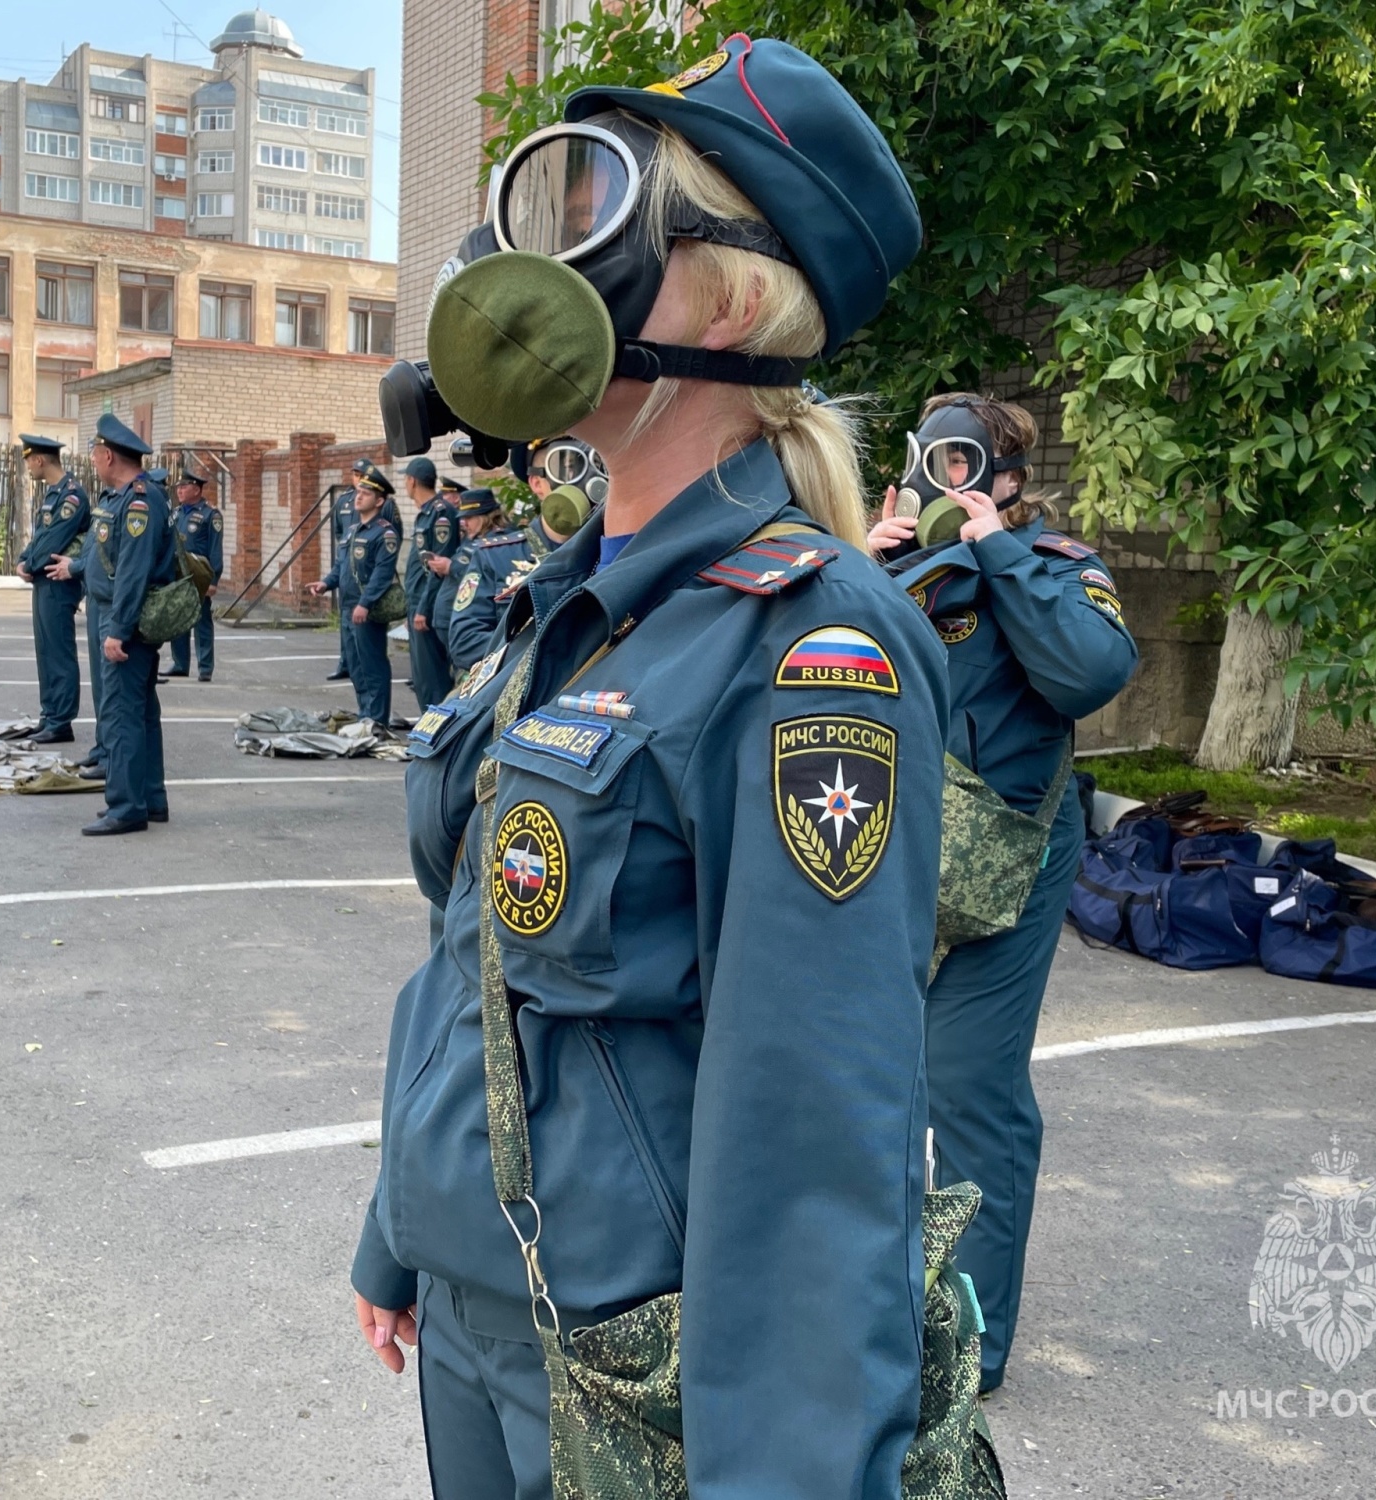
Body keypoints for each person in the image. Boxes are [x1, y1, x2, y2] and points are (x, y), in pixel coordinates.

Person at [350, 37, 955, 1496]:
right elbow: (470, 950)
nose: (543, 262)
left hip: (632, 1365)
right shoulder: (564, 601)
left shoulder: (814, 647)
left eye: (604, 214)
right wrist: (403, 1222)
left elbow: (816, 1143)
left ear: (738, 295)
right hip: (480, 1311)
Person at [870, 392, 1139, 1393]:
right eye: (924, 458)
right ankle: (874, 1297)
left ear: (1005, 480)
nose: (938, 478)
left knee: (968, 1086)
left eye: (960, 462)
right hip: (876, 859)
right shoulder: (880, 565)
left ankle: (965, 1344)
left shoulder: (1053, 567)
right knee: (861, 1083)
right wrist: (861, 568)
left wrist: (995, 554)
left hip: (1003, 865)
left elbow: (1086, 672)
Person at [76, 415, 174, 834]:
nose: (94, 460)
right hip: (122, 617)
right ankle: (149, 798)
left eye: (96, 453)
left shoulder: (138, 502)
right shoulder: (129, 497)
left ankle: (126, 806)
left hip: (124, 623)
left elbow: (132, 573)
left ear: (108, 454)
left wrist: (118, 629)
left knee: (121, 715)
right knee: (140, 712)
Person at [310, 469, 400, 727]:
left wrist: (365, 604)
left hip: (366, 611)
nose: (358, 497)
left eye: (366, 493)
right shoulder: (351, 531)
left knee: (372, 666)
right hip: (348, 609)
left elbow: (382, 575)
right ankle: (365, 715)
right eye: (358, 492)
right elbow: (342, 567)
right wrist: (325, 583)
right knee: (356, 667)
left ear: (379, 501)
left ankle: (377, 721)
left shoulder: (384, 533)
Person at [16, 435, 90, 746]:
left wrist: (29, 564)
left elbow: (53, 540)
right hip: (44, 579)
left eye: (29, 461)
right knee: (45, 650)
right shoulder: (53, 495)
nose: (28, 467)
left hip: (60, 581)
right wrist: (24, 559)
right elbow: (41, 534)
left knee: (59, 651)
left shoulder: (72, 496)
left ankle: (61, 721)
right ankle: (49, 714)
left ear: (40, 460)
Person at [441, 488, 535, 671]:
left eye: (468, 518)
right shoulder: (475, 541)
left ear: (484, 517)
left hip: (491, 661)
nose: (463, 523)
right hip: (468, 641)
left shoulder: (499, 547)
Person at [401, 457, 459, 712]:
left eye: (406, 479)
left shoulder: (441, 513)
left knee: (432, 676)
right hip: (417, 602)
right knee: (422, 676)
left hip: (430, 605)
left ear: (412, 481)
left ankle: (435, 734)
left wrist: (423, 608)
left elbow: (436, 568)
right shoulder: (425, 514)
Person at [165, 469, 223, 682]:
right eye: (178, 487)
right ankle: (180, 664)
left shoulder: (210, 515)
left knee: (201, 621)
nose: (179, 490)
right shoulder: (177, 513)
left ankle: (205, 667)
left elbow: (215, 550)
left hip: (199, 574)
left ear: (197, 489)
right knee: (178, 619)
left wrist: (213, 580)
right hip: (178, 573)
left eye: (184, 486)